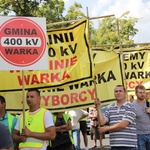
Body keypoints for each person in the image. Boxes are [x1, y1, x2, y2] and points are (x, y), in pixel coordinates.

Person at [95, 85, 137, 150]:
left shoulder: (130, 107)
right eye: (116, 91)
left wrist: (106, 129)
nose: (118, 93)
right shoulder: (110, 108)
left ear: (125, 93)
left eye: (120, 91)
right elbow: (102, 122)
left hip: (129, 145)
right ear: (114, 94)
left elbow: (123, 125)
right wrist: (98, 107)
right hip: (114, 145)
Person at [132, 85, 150, 150]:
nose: (142, 94)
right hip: (139, 135)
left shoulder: (148, 104)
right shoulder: (132, 106)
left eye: (143, 92)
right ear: (136, 93)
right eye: (140, 92)